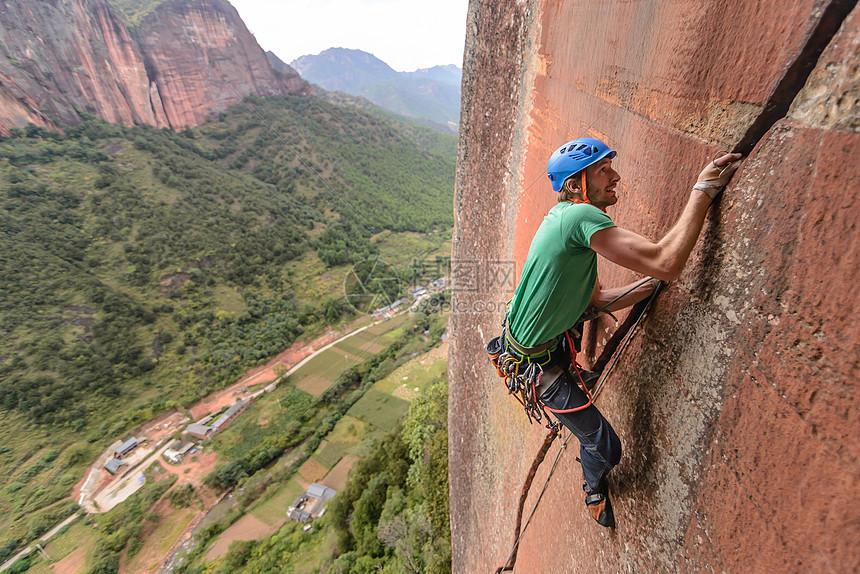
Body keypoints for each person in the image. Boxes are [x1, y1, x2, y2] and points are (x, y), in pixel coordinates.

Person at [504, 137, 742, 527]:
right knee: (604, 445)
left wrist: (648, 289)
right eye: (603, 170)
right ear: (578, 184)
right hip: (538, 367)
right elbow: (666, 261)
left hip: (539, 340)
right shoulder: (580, 218)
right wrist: (703, 191)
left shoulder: (563, 218)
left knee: (584, 342)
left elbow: (594, 299)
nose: (615, 176)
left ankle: (581, 378)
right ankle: (592, 486)